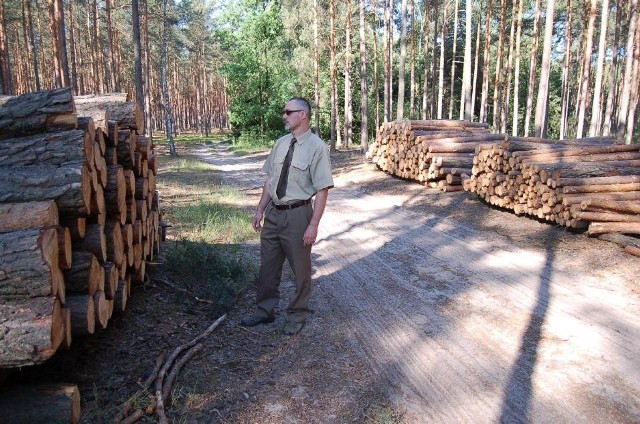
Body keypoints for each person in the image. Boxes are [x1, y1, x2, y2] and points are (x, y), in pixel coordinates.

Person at [240, 97, 334, 335]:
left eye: (288, 112)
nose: (284, 115)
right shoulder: (281, 144)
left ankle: (297, 315)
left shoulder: (317, 147)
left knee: (301, 269)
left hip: (298, 214)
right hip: (274, 214)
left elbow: (322, 189)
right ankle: (264, 311)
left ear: (303, 114)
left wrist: (313, 225)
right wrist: (260, 209)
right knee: (268, 267)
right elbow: (270, 180)